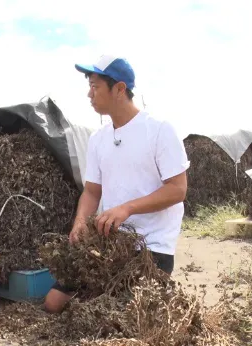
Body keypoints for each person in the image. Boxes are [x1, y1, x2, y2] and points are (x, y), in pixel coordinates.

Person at [44, 55, 190, 313]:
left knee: (117, 313)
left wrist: (127, 209)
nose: (90, 94)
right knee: (54, 302)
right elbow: (91, 192)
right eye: (89, 86)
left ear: (120, 89)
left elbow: (177, 189)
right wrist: (80, 223)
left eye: (95, 86)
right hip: (107, 241)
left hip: (151, 246)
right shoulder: (98, 139)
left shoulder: (158, 130)